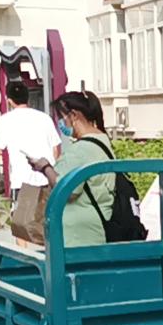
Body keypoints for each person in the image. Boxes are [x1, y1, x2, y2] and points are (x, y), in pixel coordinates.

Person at [27, 91, 114, 248]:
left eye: (61, 117)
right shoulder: (103, 141)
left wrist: (45, 167)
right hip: (96, 228)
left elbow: (67, 189)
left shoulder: (81, 149)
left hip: (78, 236)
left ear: (74, 115)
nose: (60, 123)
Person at [0, 79, 61, 212]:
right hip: (48, 181)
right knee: (48, 219)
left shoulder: (5, 120)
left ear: (9, 100)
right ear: (27, 98)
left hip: (22, 183)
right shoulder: (45, 118)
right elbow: (56, 149)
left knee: (23, 222)